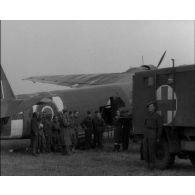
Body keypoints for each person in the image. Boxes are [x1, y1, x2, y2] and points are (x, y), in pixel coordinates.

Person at [143, 101, 163, 170]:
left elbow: (160, 127)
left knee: (151, 149)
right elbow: (145, 124)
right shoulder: (147, 115)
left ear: (154, 108)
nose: (149, 108)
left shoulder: (157, 116)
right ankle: (147, 163)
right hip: (147, 133)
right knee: (145, 149)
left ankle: (152, 165)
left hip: (153, 132)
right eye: (149, 107)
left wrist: (158, 137)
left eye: (151, 106)